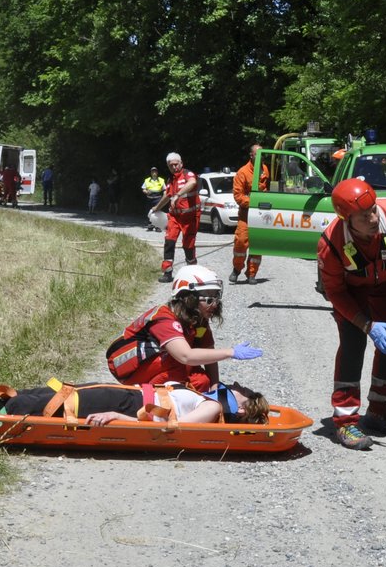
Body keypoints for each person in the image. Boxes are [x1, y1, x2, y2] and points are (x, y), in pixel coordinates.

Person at [318, 177, 386, 449]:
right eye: (364, 217)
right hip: (351, 293)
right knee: (353, 344)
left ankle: (378, 412)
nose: (373, 219)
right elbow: (335, 292)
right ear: (347, 220)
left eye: (373, 210)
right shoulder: (332, 244)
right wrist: (367, 325)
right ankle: (345, 422)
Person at [0, 363, 270, 426]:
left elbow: (172, 429)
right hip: (118, 395)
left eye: (241, 389)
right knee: (36, 395)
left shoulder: (210, 410)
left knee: (32, 405)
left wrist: (123, 419)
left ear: (241, 401)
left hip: (121, 405)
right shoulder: (206, 400)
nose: (234, 384)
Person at [107, 264, 263, 392]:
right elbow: (185, 356)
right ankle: (146, 396)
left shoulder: (197, 318)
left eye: (216, 296)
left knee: (202, 382)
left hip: (163, 362)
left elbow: (208, 352)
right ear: (188, 297)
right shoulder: (164, 318)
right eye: (208, 297)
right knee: (177, 367)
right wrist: (231, 352)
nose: (214, 303)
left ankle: (184, 403)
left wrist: (214, 387)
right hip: (129, 369)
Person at [151, 152, 200, 283]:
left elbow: (192, 182)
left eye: (176, 164)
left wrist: (178, 195)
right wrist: (156, 208)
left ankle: (192, 271)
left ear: (181, 163)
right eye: (170, 165)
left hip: (190, 217)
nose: (174, 167)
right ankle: (167, 272)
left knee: (188, 245)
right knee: (169, 241)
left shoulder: (188, 174)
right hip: (174, 216)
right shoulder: (170, 180)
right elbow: (167, 195)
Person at [231, 143, 269, 284]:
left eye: (262, 154)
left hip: (261, 215)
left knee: (257, 244)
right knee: (241, 242)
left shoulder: (265, 169)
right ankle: (236, 269)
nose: (260, 157)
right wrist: (254, 202)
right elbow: (238, 196)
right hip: (246, 214)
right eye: (257, 154)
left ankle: (252, 274)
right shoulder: (242, 172)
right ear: (251, 155)